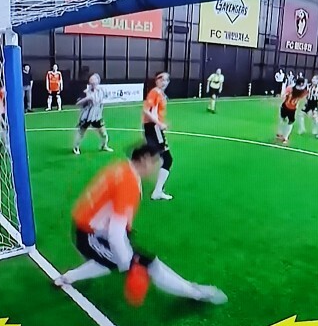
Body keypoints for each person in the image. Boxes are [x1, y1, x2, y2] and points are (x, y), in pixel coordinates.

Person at [53, 143, 227, 305]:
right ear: (144, 159)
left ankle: (67, 278)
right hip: (91, 235)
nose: (155, 168)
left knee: (110, 261)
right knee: (148, 263)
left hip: (92, 229)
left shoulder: (122, 168)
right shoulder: (128, 182)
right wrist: (129, 263)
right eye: (154, 162)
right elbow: (115, 232)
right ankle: (196, 293)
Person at [142, 71, 173, 201]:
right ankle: (157, 192)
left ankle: (158, 189)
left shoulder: (160, 93)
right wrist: (159, 124)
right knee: (167, 159)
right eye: (161, 79)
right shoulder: (154, 92)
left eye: (166, 80)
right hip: (153, 127)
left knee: (158, 156)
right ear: (156, 80)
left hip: (154, 128)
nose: (164, 82)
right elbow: (146, 110)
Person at [73, 73, 113, 155]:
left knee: (104, 134)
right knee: (81, 133)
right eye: (91, 80)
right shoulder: (85, 92)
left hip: (97, 116)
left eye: (94, 79)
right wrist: (86, 99)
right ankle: (76, 147)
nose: (93, 81)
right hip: (86, 116)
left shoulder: (102, 90)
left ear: (98, 81)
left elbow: (102, 99)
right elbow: (77, 103)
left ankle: (104, 146)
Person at [275, 77, 308, 146]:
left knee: (289, 121)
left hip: (292, 108)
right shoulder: (291, 88)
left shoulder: (302, 91)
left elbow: (302, 99)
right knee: (283, 120)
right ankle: (281, 134)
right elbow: (284, 96)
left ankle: (285, 137)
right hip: (286, 106)